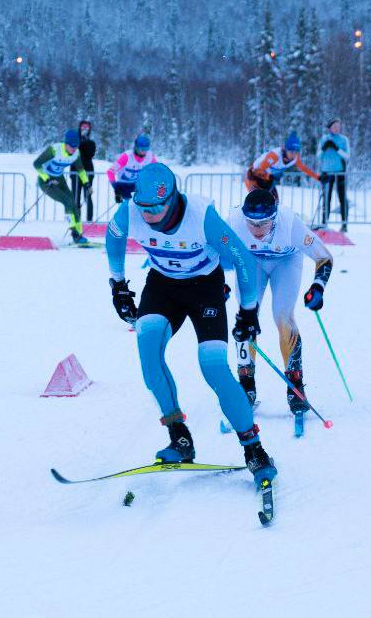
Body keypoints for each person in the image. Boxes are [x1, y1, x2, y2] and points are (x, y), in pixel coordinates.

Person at [105, 163, 276, 488]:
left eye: (156, 207)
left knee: (212, 368)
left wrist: (248, 310)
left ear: (172, 198)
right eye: (144, 208)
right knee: (149, 355)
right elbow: (114, 242)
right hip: (162, 286)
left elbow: (241, 258)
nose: (149, 215)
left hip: (204, 288)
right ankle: (179, 437)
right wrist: (117, 285)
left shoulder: (200, 215)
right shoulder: (130, 212)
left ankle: (254, 449)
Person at [226, 189, 334, 413]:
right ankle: (246, 386)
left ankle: (295, 386)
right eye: (251, 223)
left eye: (263, 223)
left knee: (283, 316)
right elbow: (213, 254)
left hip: (285, 261)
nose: (256, 229)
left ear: (274, 217)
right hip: (251, 262)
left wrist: (318, 287)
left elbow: (324, 257)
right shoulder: (234, 221)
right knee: (247, 315)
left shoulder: (290, 224)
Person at [33, 129, 90, 244]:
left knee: (73, 204)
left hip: (59, 179)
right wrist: (46, 178)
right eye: (71, 146)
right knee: (67, 202)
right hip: (46, 181)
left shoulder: (76, 153)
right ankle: (74, 233)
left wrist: (86, 183)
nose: (74, 149)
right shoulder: (55, 150)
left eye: (76, 145)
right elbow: (37, 164)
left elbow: (80, 170)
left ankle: (78, 234)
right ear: (65, 143)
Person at [246, 131, 319, 197]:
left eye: (296, 152)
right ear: (285, 149)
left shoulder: (295, 158)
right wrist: (271, 176)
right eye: (291, 152)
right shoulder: (274, 156)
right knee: (259, 201)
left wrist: (319, 178)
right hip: (253, 177)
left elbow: (304, 169)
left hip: (267, 181)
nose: (293, 155)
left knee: (275, 202)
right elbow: (258, 170)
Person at [317, 119, 350, 231]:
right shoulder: (324, 139)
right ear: (330, 128)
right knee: (327, 198)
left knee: (342, 197)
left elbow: (347, 156)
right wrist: (323, 148)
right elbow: (318, 156)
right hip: (327, 172)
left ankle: (344, 224)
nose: (337, 128)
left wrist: (337, 148)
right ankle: (324, 223)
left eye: (339, 126)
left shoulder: (344, 139)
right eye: (335, 126)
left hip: (340, 172)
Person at [107, 134, 157, 203]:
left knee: (140, 210)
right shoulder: (126, 157)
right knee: (127, 209)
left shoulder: (150, 157)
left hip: (137, 186)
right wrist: (116, 188)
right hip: (123, 186)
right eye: (142, 149)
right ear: (136, 147)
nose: (144, 152)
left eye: (146, 149)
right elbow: (110, 172)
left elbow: (156, 171)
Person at [72, 119, 97, 222]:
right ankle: (76, 221)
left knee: (88, 196)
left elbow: (89, 154)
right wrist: (80, 141)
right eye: (83, 127)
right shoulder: (74, 142)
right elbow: (73, 153)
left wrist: (85, 141)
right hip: (75, 172)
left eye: (87, 127)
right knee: (76, 197)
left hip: (88, 172)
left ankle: (89, 220)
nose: (84, 129)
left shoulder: (91, 143)